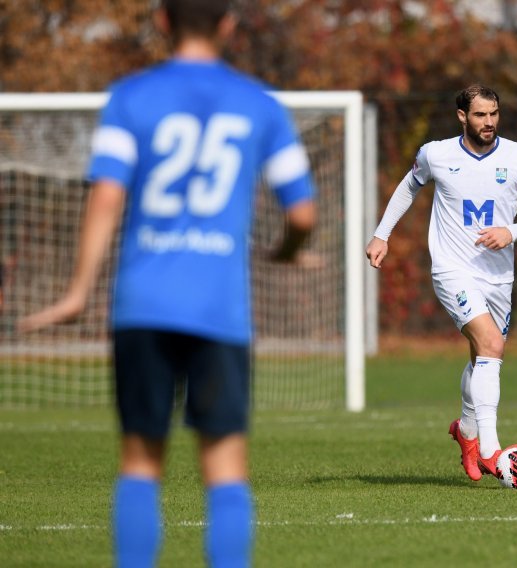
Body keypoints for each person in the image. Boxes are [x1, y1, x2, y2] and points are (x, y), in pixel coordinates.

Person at [18, 1, 317, 566]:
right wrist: (286, 252)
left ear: (161, 22)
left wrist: (78, 290)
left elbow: (107, 194)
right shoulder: (258, 103)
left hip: (142, 305)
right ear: (228, 23)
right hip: (218, 310)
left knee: (140, 463)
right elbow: (301, 213)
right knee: (225, 469)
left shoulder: (132, 96)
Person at [366, 84, 517, 481]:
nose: (488, 122)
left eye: (494, 114)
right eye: (480, 115)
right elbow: (408, 186)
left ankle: (467, 431)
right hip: (452, 268)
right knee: (491, 344)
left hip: (498, 275)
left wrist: (511, 231)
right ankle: (491, 450)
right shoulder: (436, 154)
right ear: (462, 117)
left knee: (482, 357)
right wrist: (382, 233)